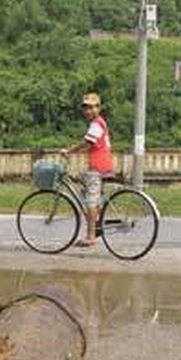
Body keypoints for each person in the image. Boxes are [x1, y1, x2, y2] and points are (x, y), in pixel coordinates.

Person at [62, 92, 114, 246]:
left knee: (90, 201)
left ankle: (91, 236)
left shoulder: (97, 123)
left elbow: (87, 143)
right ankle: (96, 222)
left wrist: (69, 151)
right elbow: (93, 146)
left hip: (98, 167)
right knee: (87, 189)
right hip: (102, 165)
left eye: (92, 107)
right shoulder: (99, 123)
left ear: (99, 108)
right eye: (85, 108)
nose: (88, 111)